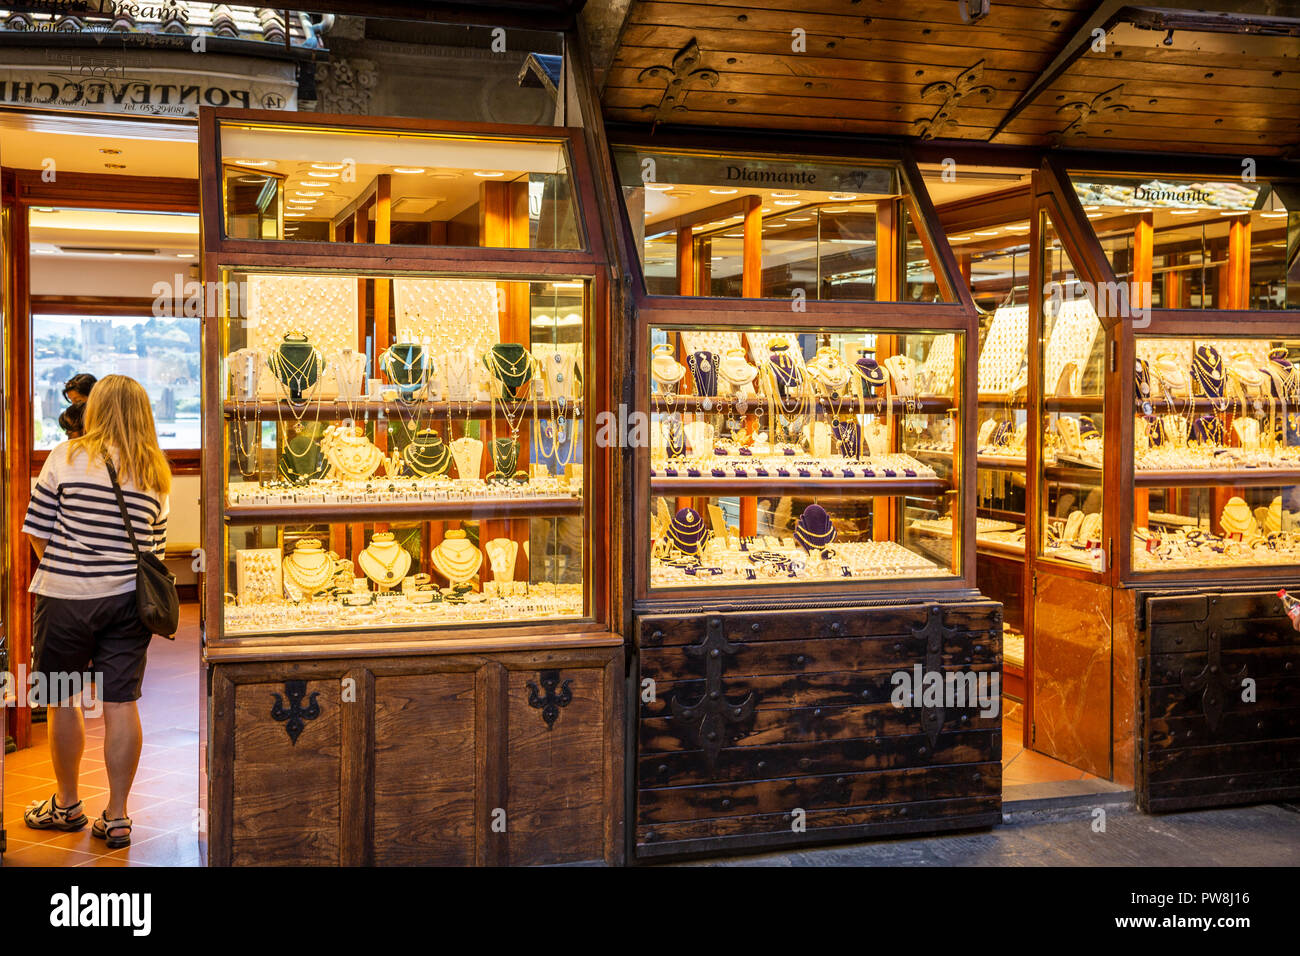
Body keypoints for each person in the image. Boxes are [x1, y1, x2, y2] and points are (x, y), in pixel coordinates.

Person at [21, 375, 171, 850]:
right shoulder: (156, 471)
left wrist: (70, 568)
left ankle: (66, 805)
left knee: (63, 697)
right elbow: (156, 551)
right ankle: (119, 816)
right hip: (129, 602)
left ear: (96, 410)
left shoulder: (66, 456)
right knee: (121, 702)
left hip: (64, 596)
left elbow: (36, 530)